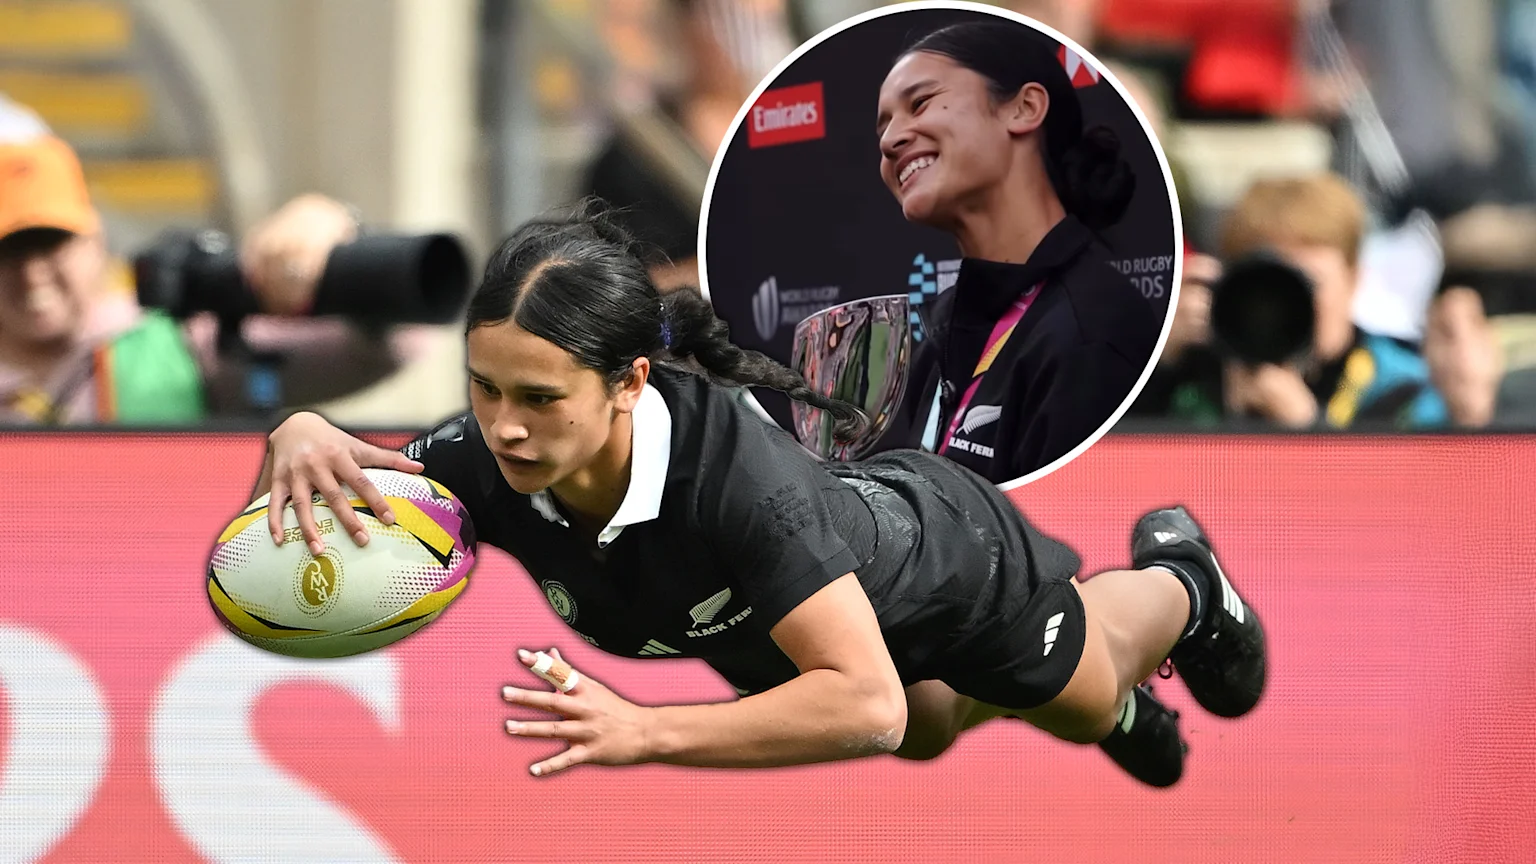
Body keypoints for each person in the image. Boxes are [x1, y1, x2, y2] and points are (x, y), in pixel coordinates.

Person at [250, 204, 1267, 787]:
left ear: (628, 383)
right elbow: (375, 503)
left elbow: (856, 703)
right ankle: (1025, 685)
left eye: (539, 397)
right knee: (924, 729)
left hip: (948, 566)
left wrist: (646, 730)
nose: (505, 424)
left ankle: (1183, 579)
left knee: (1081, 708)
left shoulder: (736, 484)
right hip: (819, 631)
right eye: (485, 388)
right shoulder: (487, 460)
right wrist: (301, 432)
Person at [867, 20, 1161, 483]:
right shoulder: (939, 331)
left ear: (1024, 108)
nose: (889, 140)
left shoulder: (1094, 331)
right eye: (883, 126)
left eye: (919, 103)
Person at [0, 116, 410, 425]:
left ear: (96, 244)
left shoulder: (171, 339)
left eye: (51, 243)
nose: (33, 274)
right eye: (8, 251)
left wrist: (337, 231)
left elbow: (384, 349)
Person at [1217, 174, 1455, 429]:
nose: (1292, 301)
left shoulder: (1406, 389)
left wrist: (1308, 427)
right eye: (1268, 285)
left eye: (1310, 282)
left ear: (1353, 280)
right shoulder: (1195, 371)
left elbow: (1414, 468)